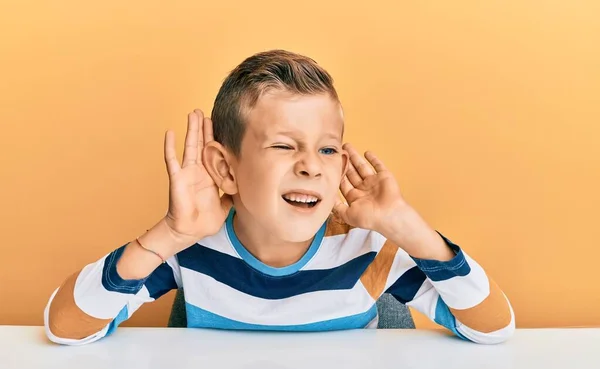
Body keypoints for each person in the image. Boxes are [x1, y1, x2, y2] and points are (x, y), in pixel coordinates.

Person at [44, 49, 514, 346]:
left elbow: (492, 328)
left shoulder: (367, 249)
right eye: (285, 146)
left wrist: (408, 229)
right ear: (226, 168)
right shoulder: (189, 251)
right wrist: (168, 234)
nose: (311, 164)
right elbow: (64, 327)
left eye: (327, 148)